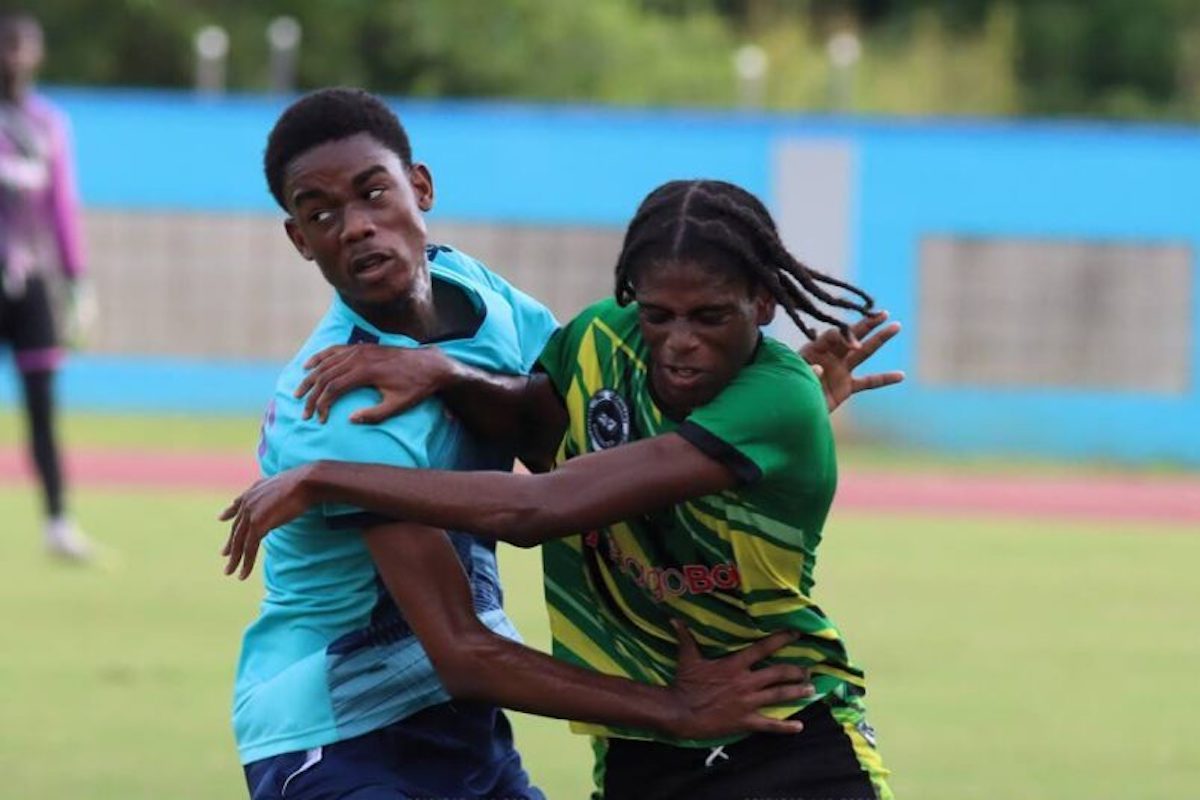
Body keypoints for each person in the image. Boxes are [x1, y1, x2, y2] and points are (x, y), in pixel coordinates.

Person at [222, 178, 902, 799]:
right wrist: (446, 374)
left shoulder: (780, 397)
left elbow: (536, 508)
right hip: (644, 750)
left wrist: (322, 477)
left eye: (710, 318)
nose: (678, 343)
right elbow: (539, 428)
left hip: (781, 724)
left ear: (763, 302)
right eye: (658, 315)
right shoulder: (601, 340)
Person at [0, 12, 92, 560]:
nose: (15, 57)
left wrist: (78, 281)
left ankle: (58, 524)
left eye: (24, 48)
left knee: (42, 407)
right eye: (8, 46)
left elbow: (62, 207)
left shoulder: (48, 124)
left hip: (31, 283)